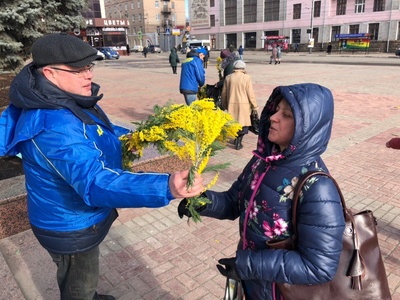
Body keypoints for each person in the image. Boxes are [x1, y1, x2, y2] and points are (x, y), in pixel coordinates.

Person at [0, 33, 204, 300]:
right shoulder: (54, 125)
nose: (88, 75)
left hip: (72, 216)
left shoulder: (60, 99)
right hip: (69, 225)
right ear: (49, 73)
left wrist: (132, 137)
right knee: (78, 284)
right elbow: (95, 182)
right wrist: (165, 186)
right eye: (78, 70)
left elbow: (95, 132)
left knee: (81, 276)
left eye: (89, 67)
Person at [178, 83, 346, 299]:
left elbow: (319, 266)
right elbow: (234, 200)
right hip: (251, 280)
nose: (274, 118)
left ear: (308, 128)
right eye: (276, 110)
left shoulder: (317, 187)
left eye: (286, 115)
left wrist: (248, 265)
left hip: (280, 290)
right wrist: (201, 202)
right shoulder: (264, 161)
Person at [221, 60, 258, 150]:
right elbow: (250, 93)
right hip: (244, 105)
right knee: (243, 124)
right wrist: (254, 106)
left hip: (231, 104)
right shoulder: (246, 77)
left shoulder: (228, 77)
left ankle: (236, 138)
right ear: (243, 68)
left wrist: (225, 104)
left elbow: (224, 93)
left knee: (234, 123)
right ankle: (239, 141)